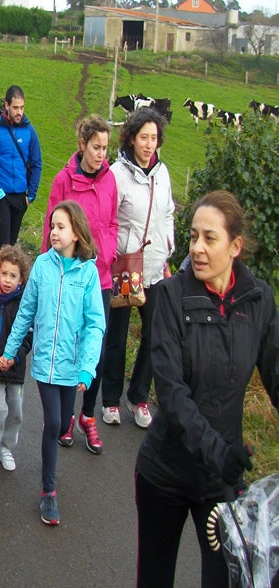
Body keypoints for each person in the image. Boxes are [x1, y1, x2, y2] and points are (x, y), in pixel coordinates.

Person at [127, 190, 279, 588]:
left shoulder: (259, 302)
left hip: (221, 486)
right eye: (192, 235)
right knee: (155, 585)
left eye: (209, 238)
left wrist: (225, 460)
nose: (196, 247)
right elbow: (170, 391)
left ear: (235, 246)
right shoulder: (169, 298)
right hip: (167, 471)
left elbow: (276, 376)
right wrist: (220, 450)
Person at [0, 200, 106, 527]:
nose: (53, 232)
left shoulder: (88, 273)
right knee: (54, 421)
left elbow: (95, 324)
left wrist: (88, 368)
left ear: (76, 232)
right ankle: (48, 491)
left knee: (62, 426)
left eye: (60, 226)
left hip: (73, 365)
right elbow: (25, 314)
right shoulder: (43, 267)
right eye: (52, 226)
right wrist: (10, 350)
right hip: (45, 363)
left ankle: (61, 429)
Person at [42, 115, 118, 455]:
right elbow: (50, 226)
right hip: (67, 277)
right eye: (96, 147)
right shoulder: (64, 180)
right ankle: (68, 415)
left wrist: (110, 250)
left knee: (96, 348)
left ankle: (89, 414)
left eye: (105, 147)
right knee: (70, 345)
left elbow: (114, 221)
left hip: (99, 276)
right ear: (82, 145)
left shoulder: (110, 180)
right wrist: (48, 268)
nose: (102, 153)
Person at [101, 108, 175, 430]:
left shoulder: (164, 174)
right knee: (116, 336)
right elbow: (108, 219)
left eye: (154, 138)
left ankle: (139, 396)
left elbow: (169, 213)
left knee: (155, 335)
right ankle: (110, 400)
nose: (149, 144)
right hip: (126, 268)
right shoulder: (117, 173)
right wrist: (119, 251)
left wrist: (168, 248)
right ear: (131, 138)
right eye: (143, 137)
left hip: (156, 270)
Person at [0, 245, 33, 472]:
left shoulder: (25, 304)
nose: (8, 280)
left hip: (16, 368)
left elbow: (29, 338)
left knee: (15, 410)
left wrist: (16, 357)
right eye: (4, 274)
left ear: (21, 280)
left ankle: (6, 446)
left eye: (13, 276)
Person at [0, 85, 43, 253]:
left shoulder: (30, 131)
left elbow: (37, 163)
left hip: (21, 197)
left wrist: (31, 195)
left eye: (22, 108)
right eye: (15, 108)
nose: (19, 112)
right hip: (2, 196)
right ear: (7, 106)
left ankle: (8, 278)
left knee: (12, 243)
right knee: (3, 244)